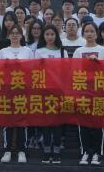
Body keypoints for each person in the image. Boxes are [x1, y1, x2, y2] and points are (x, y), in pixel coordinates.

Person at [73, 21, 104, 165]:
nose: (89, 34)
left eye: (92, 31)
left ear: (97, 33)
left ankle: (97, 153)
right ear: (83, 34)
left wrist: (97, 63)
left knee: (98, 125)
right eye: (86, 31)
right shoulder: (78, 51)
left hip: (99, 93)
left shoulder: (103, 51)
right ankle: (86, 152)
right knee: (84, 124)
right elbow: (74, 71)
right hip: (83, 92)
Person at [0, 25, 33, 163]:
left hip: (23, 89)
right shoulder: (3, 51)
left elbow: (32, 70)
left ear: (21, 35)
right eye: (12, 33)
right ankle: (7, 150)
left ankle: (21, 150)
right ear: (8, 35)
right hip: (7, 89)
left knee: (22, 121)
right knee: (8, 121)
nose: (14, 35)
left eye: (17, 33)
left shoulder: (28, 51)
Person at [34, 25, 66, 164]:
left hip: (59, 92)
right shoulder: (39, 52)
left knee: (57, 123)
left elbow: (67, 72)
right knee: (46, 123)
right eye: (47, 34)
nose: (50, 37)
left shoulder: (62, 51)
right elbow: (36, 72)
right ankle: (47, 150)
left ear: (56, 36)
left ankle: (57, 151)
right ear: (43, 36)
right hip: (44, 91)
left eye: (52, 34)